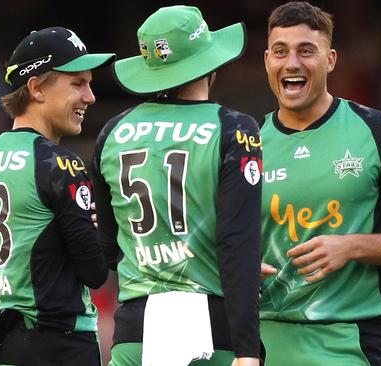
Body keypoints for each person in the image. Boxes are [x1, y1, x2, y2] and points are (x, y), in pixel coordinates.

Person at [258, 2, 381, 365]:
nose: (292, 63)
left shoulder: (379, 132)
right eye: (281, 52)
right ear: (267, 60)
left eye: (306, 51)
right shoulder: (245, 142)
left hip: (350, 340)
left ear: (330, 60)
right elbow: (216, 240)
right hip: (264, 340)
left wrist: (350, 247)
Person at [90, 6, 262, 366]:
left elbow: (107, 249)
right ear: (210, 64)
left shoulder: (113, 131)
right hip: (212, 334)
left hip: (134, 334)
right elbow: (237, 241)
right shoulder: (233, 128)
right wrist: (247, 350)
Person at [0, 27, 115, 366]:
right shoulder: (59, 163)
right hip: (58, 345)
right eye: (77, 83)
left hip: (2, 343)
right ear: (37, 88)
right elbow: (95, 272)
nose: (90, 96)